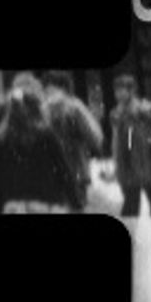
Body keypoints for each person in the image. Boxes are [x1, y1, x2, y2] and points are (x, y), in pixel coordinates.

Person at [0, 83, 80, 214]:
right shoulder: (46, 135)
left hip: (13, 206)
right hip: (46, 203)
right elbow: (63, 170)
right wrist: (76, 203)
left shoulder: (0, 139)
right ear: (37, 109)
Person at [110, 76, 151, 239]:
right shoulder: (118, 112)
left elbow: (132, 137)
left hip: (142, 162)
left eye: (122, 89)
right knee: (134, 201)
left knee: (150, 198)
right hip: (132, 164)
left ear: (131, 91)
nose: (118, 94)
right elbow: (118, 140)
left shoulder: (139, 109)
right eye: (116, 90)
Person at [41, 72, 104, 207]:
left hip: (52, 170)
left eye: (48, 86)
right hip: (76, 168)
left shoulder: (43, 109)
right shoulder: (74, 106)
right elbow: (94, 136)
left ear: (60, 87)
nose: (46, 89)